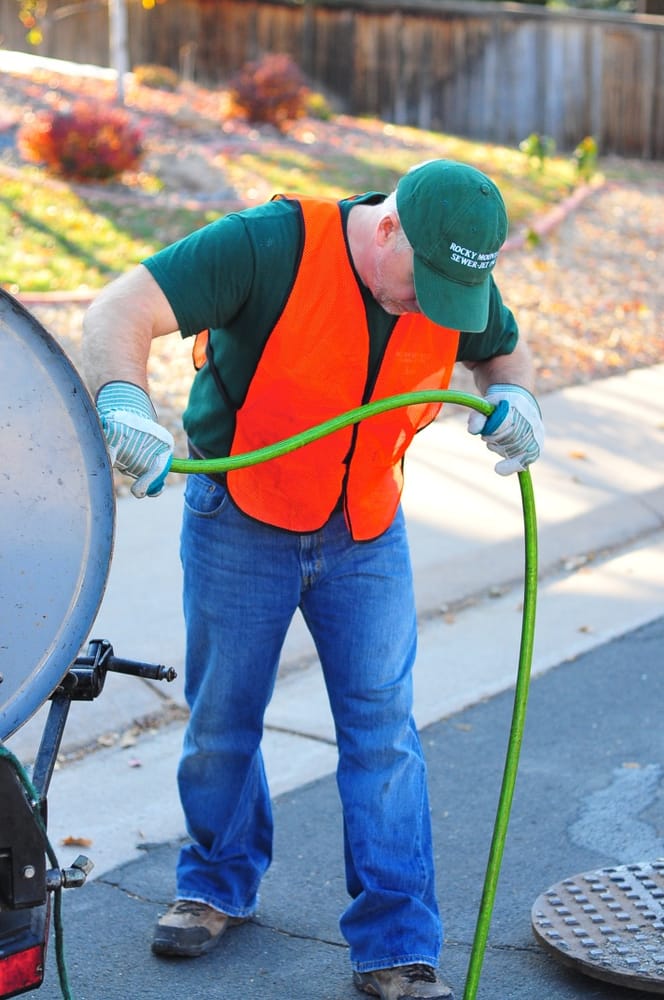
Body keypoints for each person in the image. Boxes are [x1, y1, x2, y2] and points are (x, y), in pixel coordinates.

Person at [82, 158, 544, 1000]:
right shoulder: (271, 246)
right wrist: (122, 402)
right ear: (389, 226)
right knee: (223, 719)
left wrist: (518, 399)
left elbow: (502, 352)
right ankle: (216, 884)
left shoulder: (452, 279)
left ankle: (398, 944)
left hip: (366, 528)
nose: (433, 306)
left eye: (455, 293)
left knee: (384, 735)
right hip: (242, 517)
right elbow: (121, 308)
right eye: (423, 282)